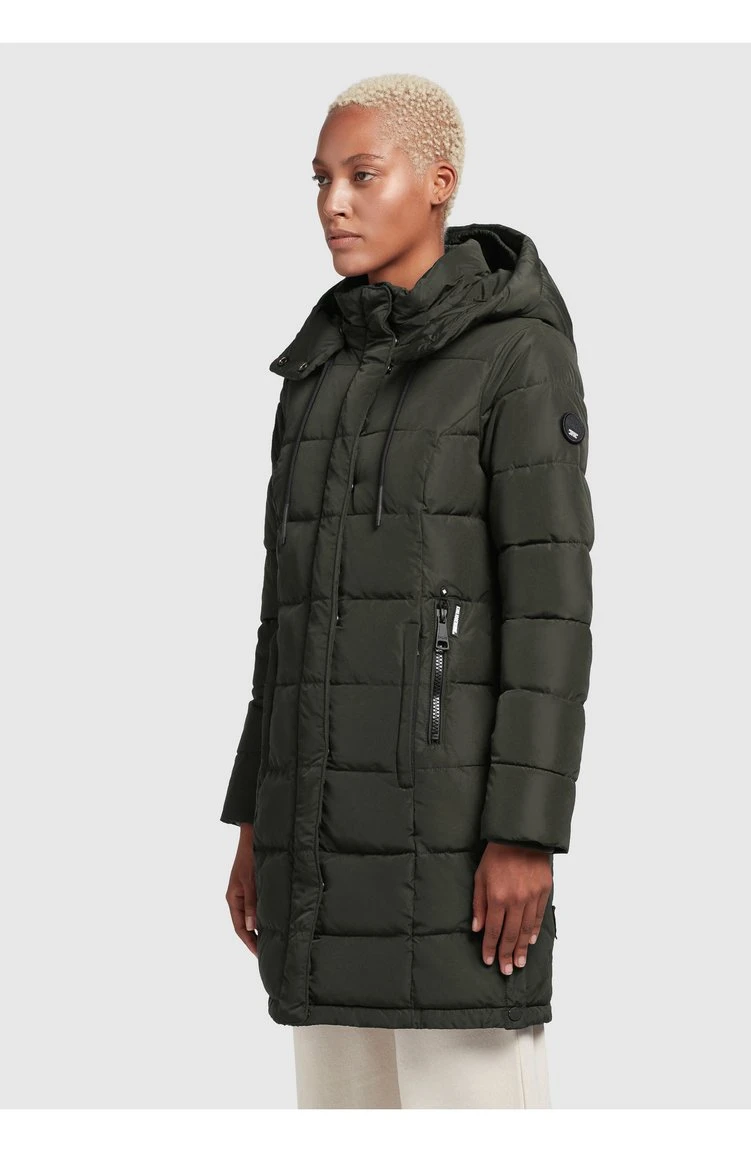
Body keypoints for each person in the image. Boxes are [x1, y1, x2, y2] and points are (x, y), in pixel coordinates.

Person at [221, 72, 594, 1109]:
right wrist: (257, 815)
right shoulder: (318, 374)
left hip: (459, 842)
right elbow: (285, 619)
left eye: (361, 175)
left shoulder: (516, 357)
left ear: (439, 181)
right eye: (319, 180)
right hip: (316, 844)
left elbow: (551, 610)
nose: (332, 204)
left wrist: (525, 832)